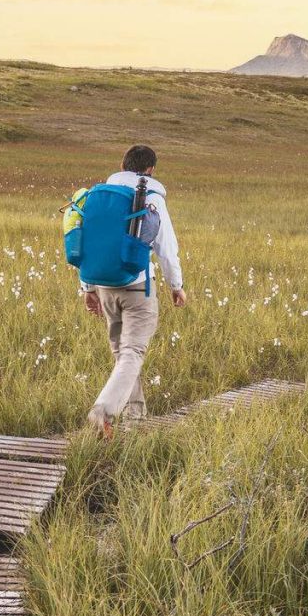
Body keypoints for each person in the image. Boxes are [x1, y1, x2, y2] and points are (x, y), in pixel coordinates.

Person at [82, 144, 185, 435]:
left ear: (122, 164)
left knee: (122, 354)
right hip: (137, 285)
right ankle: (104, 410)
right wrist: (176, 285)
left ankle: (135, 416)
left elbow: (88, 241)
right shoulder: (151, 196)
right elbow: (166, 247)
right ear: (151, 170)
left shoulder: (99, 194)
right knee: (133, 351)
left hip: (103, 284)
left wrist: (87, 287)